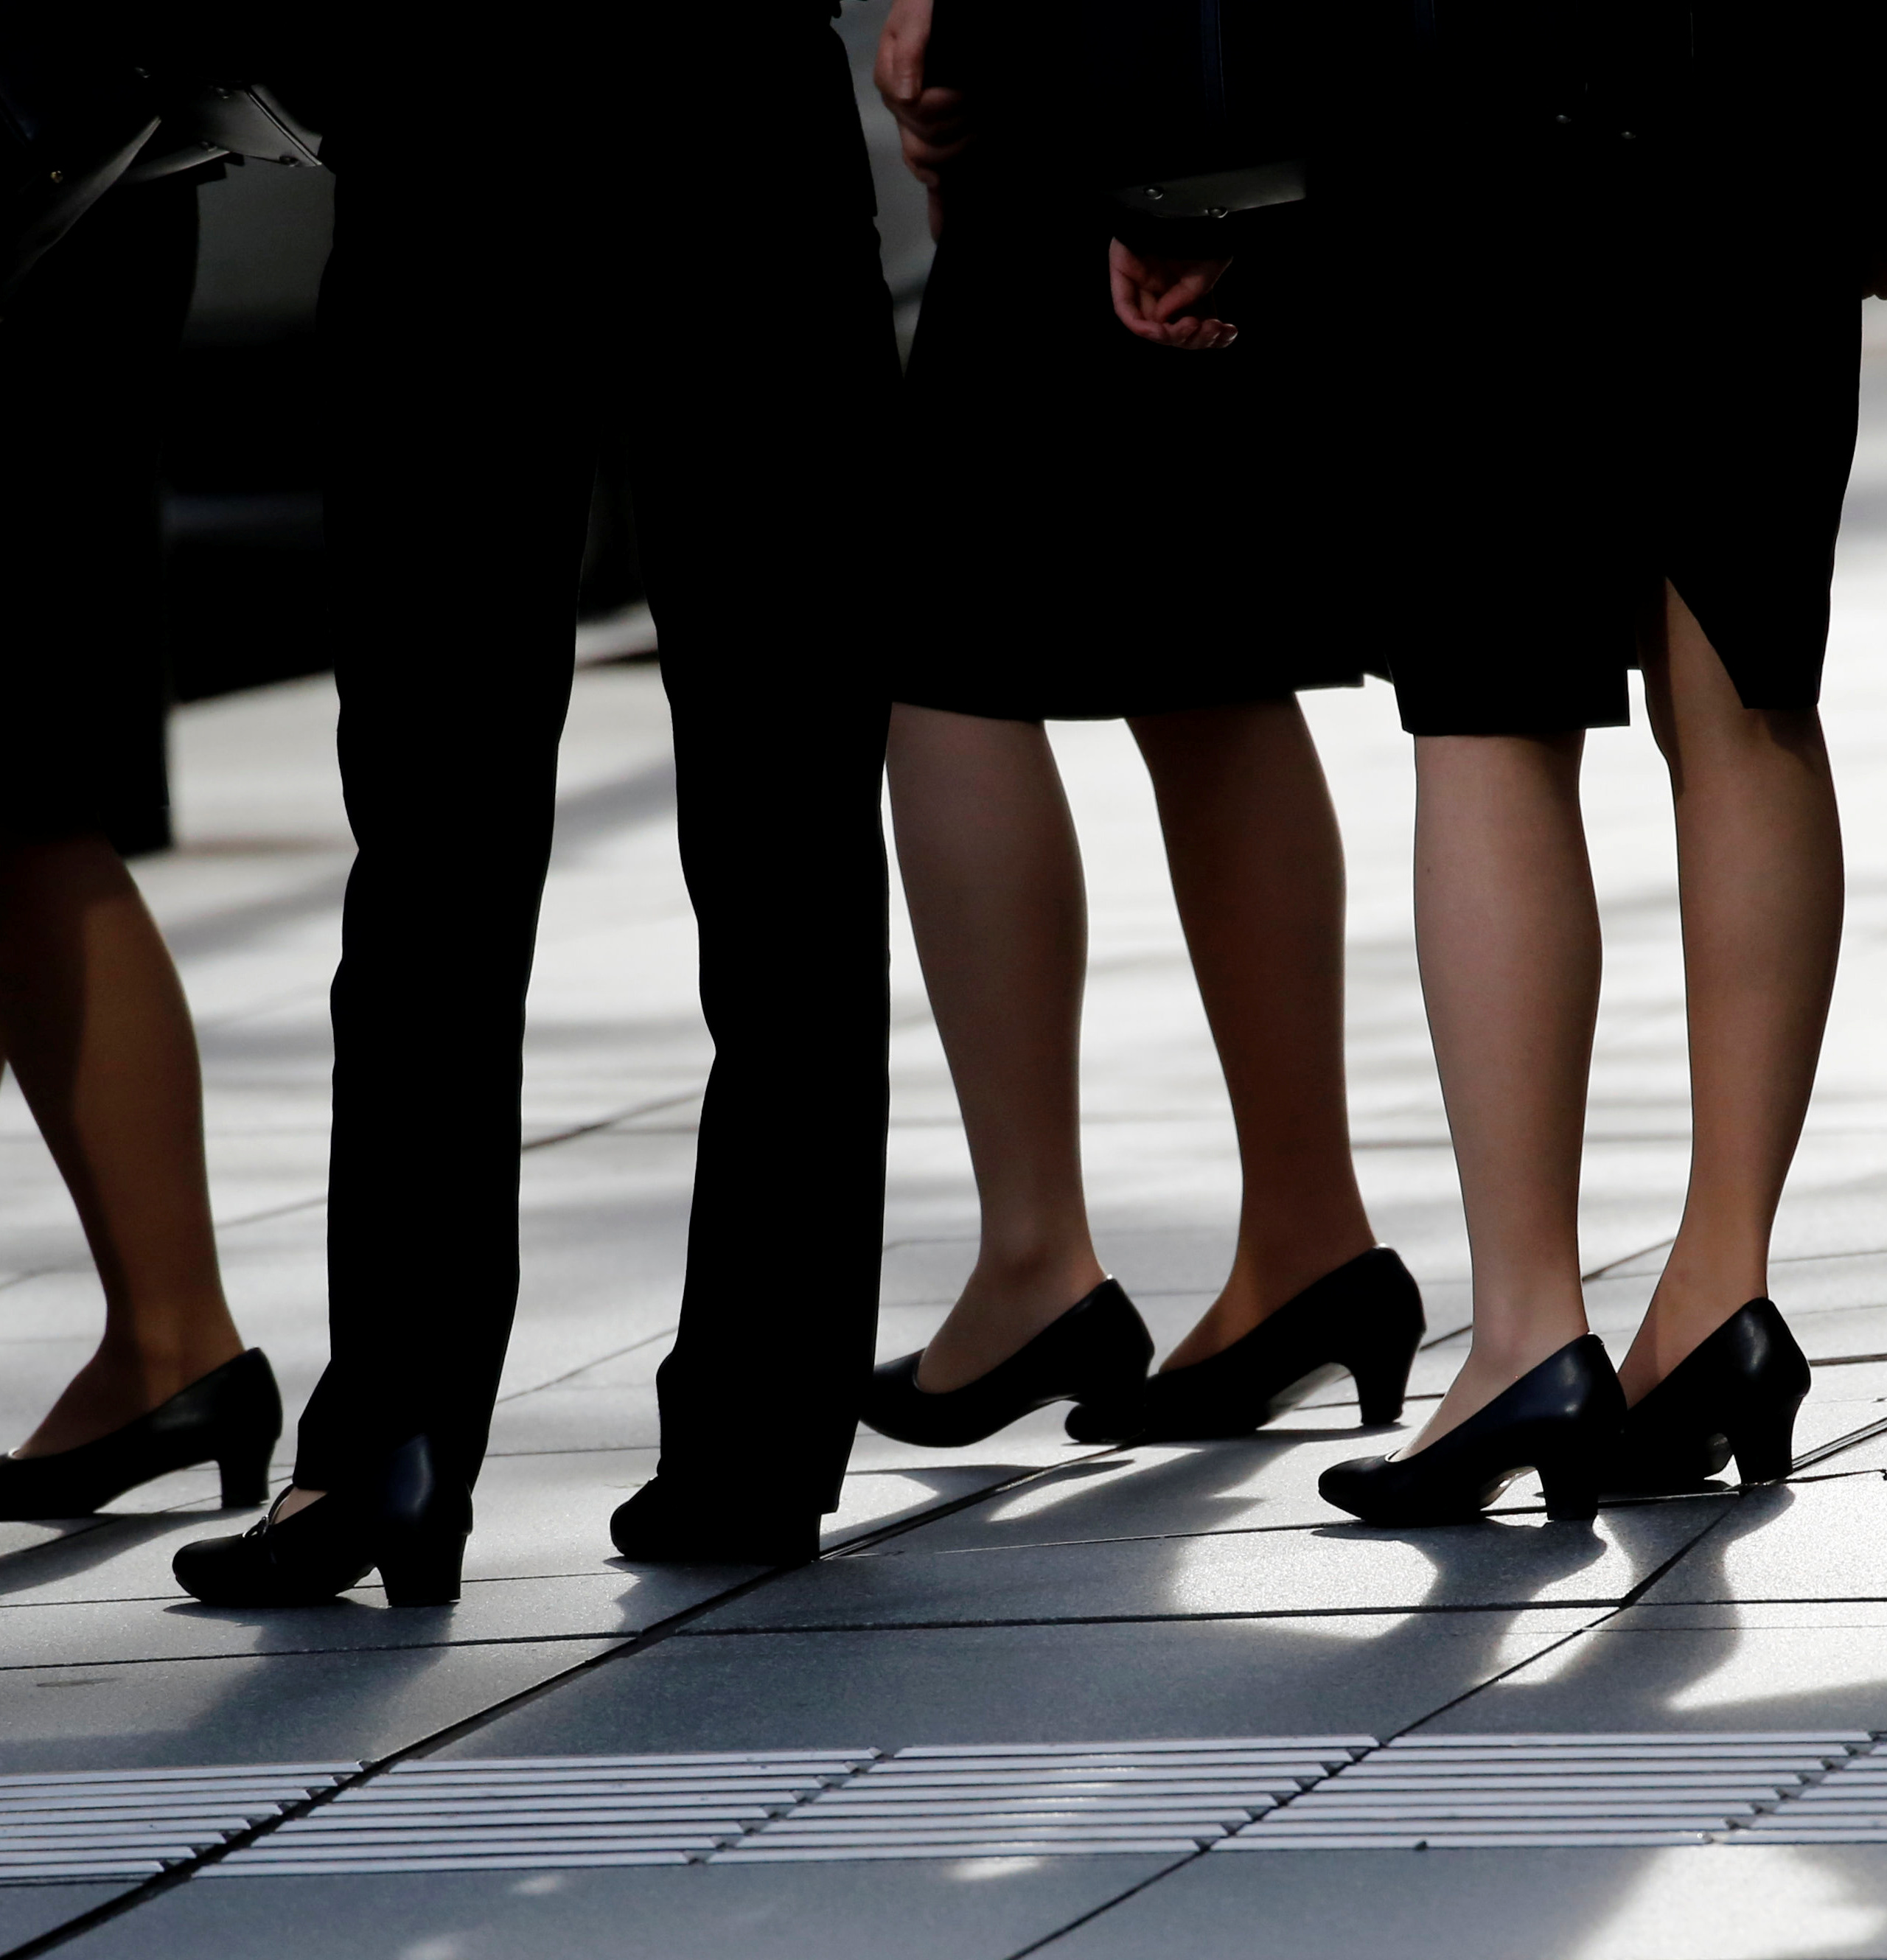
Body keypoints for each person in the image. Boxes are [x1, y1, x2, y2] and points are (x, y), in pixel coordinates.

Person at [175, 0, 901, 1607]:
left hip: (454, 113)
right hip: (732, 107)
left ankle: (393, 1443)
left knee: (435, 830)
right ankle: (757, 1440)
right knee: (788, 808)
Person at [1288, 0, 1887, 1524]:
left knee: (1491, 710)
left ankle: (1529, 1323)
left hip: (1474, 91)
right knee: (1744, 684)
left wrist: (1205, 168)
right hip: (1769, 69)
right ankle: (1724, 1282)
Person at [853, 0, 1421, 1456]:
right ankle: (1306, 1236)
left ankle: (1045, 1253)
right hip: (1173, 74)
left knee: (945, 645)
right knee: (1202, 644)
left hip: (1111, 70)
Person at [0, 167, 279, 1521]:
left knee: (20, 785)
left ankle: (174, 1336)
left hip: (38, 180)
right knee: (21, 790)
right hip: (81, 167)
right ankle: (170, 1337)